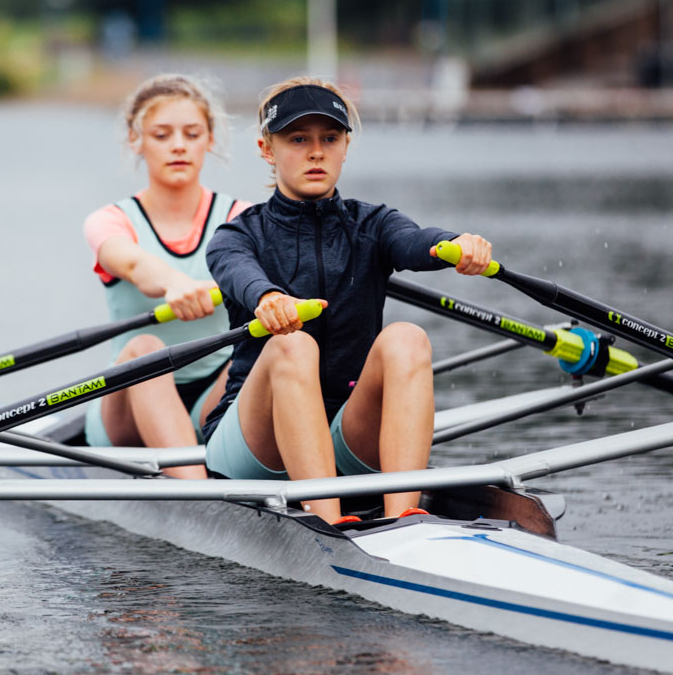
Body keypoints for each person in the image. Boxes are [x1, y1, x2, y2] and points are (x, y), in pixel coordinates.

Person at [201, 76, 492, 523]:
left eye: (330, 139)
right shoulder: (237, 236)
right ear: (267, 150)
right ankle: (328, 522)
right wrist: (268, 298)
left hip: (347, 432)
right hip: (256, 447)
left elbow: (414, 241)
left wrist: (456, 243)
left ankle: (404, 518)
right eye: (298, 139)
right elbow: (240, 273)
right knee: (293, 343)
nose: (316, 152)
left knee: (407, 338)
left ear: (345, 147)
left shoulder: (373, 223)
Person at [82, 74, 249, 477]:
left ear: (210, 139)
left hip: (216, 394)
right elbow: (133, 265)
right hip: (125, 409)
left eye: (192, 134)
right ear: (135, 140)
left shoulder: (243, 218)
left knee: (271, 350)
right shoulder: (110, 220)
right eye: (161, 135)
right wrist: (177, 285)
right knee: (144, 347)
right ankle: (199, 494)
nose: (178, 146)